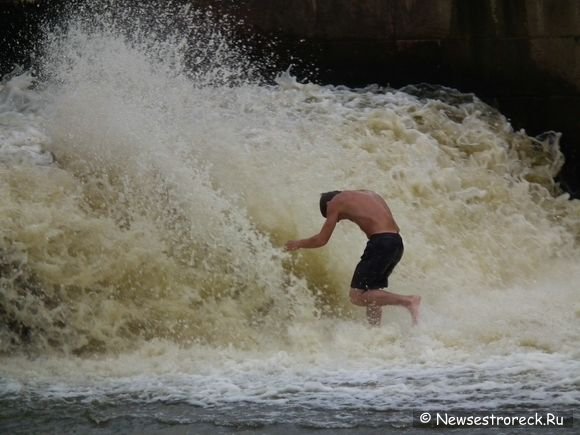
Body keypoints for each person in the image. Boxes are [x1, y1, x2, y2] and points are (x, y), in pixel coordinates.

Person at [285, 190, 420, 326]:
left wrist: (298, 244)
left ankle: (408, 301)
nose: (337, 219)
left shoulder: (334, 202)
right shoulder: (369, 195)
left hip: (381, 243)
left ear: (328, 203)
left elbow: (321, 240)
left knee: (356, 296)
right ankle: (375, 330)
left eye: (334, 216)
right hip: (396, 243)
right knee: (371, 291)